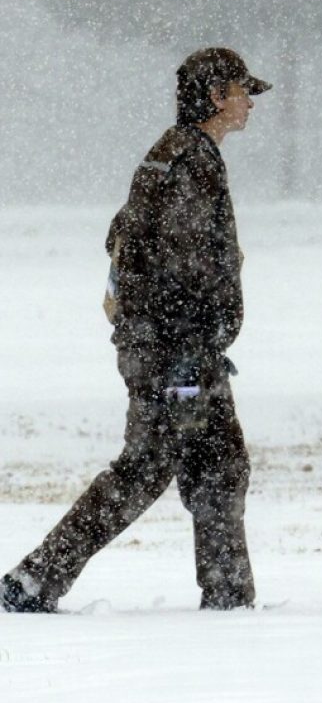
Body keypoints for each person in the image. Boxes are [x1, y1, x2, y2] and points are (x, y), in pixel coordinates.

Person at [1, 48, 271, 613]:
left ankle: (228, 595)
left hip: (172, 346)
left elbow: (126, 242)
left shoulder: (174, 155)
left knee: (216, 464)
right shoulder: (188, 162)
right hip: (178, 351)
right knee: (150, 467)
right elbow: (180, 262)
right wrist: (186, 348)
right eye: (242, 91)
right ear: (216, 96)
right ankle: (34, 580)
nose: (250, 103)